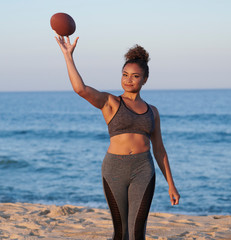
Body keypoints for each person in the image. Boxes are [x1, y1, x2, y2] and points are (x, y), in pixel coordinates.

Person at [55, 35, 180, 240]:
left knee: (137, 231)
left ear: (145, 79)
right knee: (121, 232)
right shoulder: (110, 102)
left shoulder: (152, 111)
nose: (128, 79)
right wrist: (68, 56)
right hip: (114, 169)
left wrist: (171, 184)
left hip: (143, 170)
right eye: (125, 74)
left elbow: (159, 150)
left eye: (135, 76)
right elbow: (80, 89)